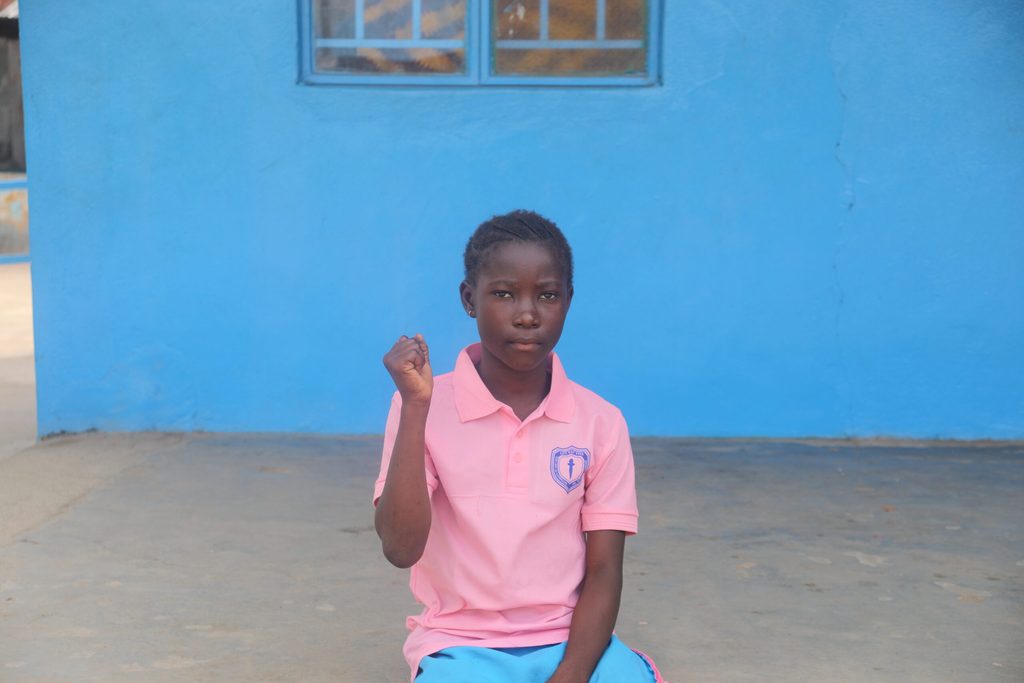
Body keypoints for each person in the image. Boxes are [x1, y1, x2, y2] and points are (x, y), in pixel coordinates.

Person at [374, 210, 665, 683]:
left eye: (547, 295)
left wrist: (571, 674)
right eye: (504, 294)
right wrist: (415, 408)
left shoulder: (600, 422)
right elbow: (401, 548)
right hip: (461, 646)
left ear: (568, 300)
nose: (527, 314)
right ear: (470, 299)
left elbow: (605, 570)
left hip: (573, 641)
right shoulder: (421, 405)